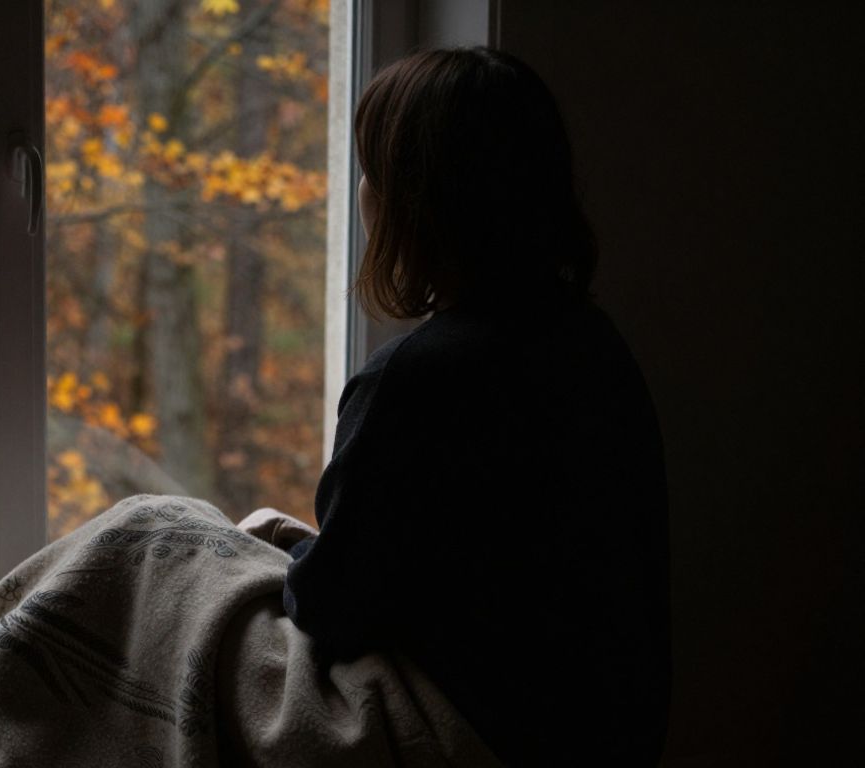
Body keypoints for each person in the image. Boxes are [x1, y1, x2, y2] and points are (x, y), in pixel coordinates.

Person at [238, 48, 671, 766]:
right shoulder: (592, 344)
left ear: (415, 200)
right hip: (603, 745)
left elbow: (331, 610)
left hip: (477, 741)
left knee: (154, 536)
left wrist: (290, 549)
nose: (363, 189)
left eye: (372, 171)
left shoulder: (415, 380)